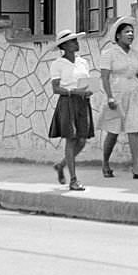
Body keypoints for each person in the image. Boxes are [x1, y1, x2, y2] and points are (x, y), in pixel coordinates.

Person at [98, 16, 138, 180]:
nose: (130, 34)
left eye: (132, 32)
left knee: (134, 129)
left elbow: (135, 71)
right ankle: (105, 162)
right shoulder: (109, 54)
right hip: (117, 95)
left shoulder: (134, 53)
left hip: (134, 94)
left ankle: (136, 167)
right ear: (118, 35)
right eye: (127, 32)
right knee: (113, 132)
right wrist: (110, 97)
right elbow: (105, 77)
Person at [48, 29, 94, 191]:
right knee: (71, 139)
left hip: (82, 102)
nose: (76, 43)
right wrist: (73, 92)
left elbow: (85, 81)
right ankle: (73, 179)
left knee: (82, 140)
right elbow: (56, 88)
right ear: (64, 46)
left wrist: (88, 90)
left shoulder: (83, 62)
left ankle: (61, 165)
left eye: (76, 40)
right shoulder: (57, 64)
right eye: (72, 41)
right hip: (67, 102)